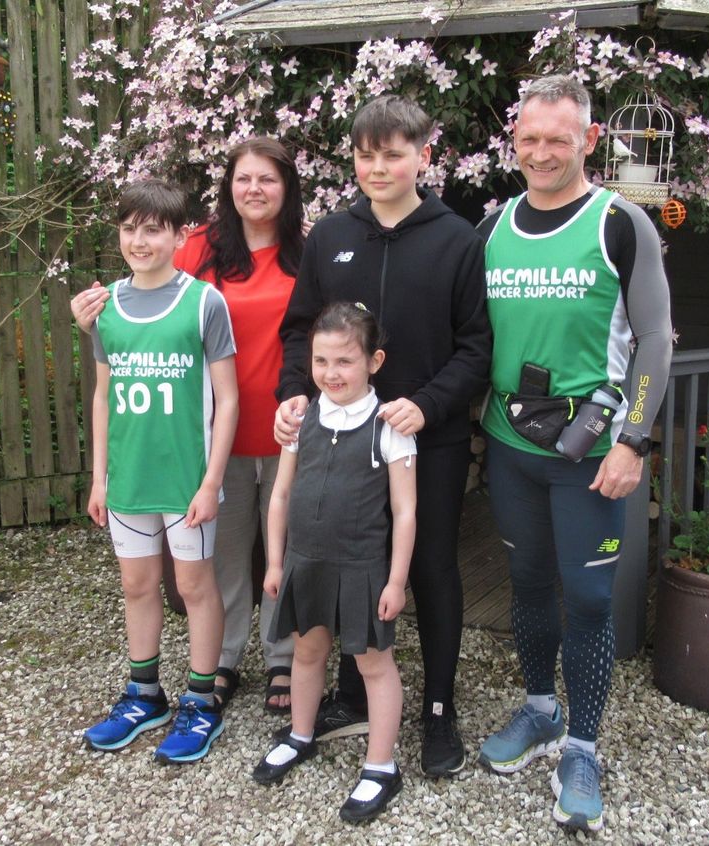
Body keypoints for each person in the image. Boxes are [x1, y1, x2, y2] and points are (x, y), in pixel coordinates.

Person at [475, 74, 672, 831]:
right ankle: (539, 710)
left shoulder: (620, 224)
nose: (542, 152)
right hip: (510, 443)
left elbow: (655, 337)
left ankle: (582, 749)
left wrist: (635, 439)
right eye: (529, 139)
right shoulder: (492, 227)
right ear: (514, 142)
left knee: (588, 599)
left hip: (594, 452)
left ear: (589, 140)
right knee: (526, 585)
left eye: (559, 138)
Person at [274, 94, 491, 778]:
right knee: (345, 560)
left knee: (427, 566)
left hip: (430, 437)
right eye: (366, 155)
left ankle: (437, 708)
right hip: (339, 440)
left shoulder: (457, 239)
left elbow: (477, 347)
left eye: (393, 154)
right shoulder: (331, 235)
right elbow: (298, 331)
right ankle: (350, 690)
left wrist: (425, 406)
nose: (378, 167)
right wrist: (291, 397)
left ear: (424, 156)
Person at [72, 138, 304, 713]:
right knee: (218, 561)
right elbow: (143, 305)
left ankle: (281, 657)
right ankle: (221, 662)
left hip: (283, 429)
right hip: (202, 441)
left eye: (268, 179)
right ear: (228, 186)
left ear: (287, 188)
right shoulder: (199, 245)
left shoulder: (310, 251)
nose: (254, 189)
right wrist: (92, 322)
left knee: (285, 550)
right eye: (243, 177)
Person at [82, 178, 238, 764]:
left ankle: (202, 701)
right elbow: (102, 397)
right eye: (129, 228)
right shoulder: (105, 307)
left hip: (187, 478)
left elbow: (228, 398)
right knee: (137, 585)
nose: (139, 240)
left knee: (194, 587)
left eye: (153, 229)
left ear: (179, 235)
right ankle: (143, 693)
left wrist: (210, 481)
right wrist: (99, 477)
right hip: (129, 476)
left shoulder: (204, 302)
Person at [253, 302, 416, 822]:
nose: (331, 373)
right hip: (307, 561)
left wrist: (397, 580)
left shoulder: (389, 425)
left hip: (363, 566)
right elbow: (279, 496)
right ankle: (301, 734)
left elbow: (405, 511)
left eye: (345, 361)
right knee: (306, 651)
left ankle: (381, 766)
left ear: (374, 361)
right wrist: (276, 563)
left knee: (373, 663)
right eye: (321, 361)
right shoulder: (302, 419)